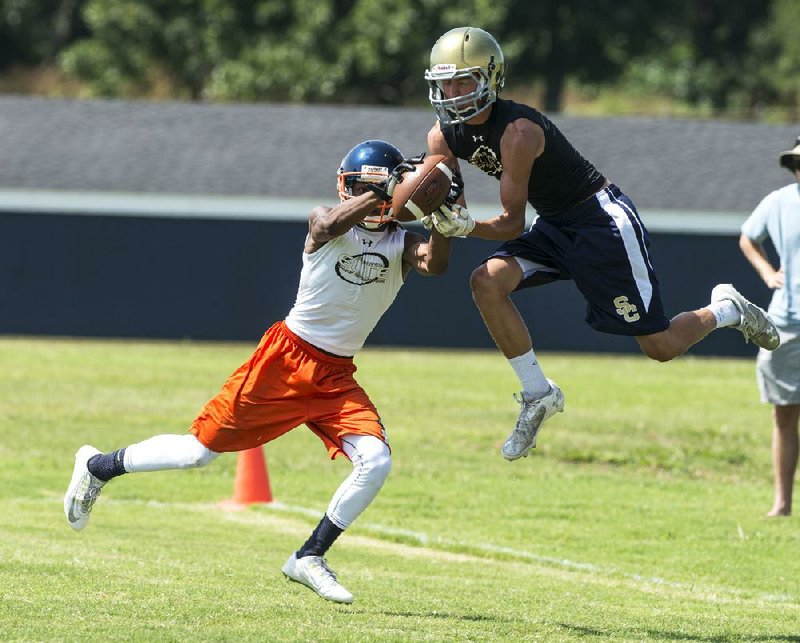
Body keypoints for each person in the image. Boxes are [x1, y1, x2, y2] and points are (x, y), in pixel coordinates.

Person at [63, 140, 455, 603]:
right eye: (362, 189)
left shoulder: (402, 241)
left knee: (377, 460)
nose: (371, 199)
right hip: (285, 360)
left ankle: (309, 556)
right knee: (198, 452)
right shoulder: (323, 219)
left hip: (336, 377)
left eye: (383, 189)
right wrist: (385, 190)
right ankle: (98, 466)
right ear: (346, 187)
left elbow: (435, 264)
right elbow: (328, 223)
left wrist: (442, 218)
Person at [421, 26, 781, 461]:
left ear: (492, 79)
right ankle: (538, 393)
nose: (454, 92)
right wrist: (423, 207)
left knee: (660, 347)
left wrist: (465, 227)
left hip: (599, 223)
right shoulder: (442, 136)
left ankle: (727, 309)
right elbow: (444, 202)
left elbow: (511, 224)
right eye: (446, 82)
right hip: (555, 223)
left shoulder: (518, 131)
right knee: (486, 281)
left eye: (465, 80)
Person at [739, 136, 800, 517]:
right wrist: (766, 272)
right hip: (785, 323)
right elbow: (748, 237)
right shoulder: (779, 202)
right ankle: (782, 504)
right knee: (784, 413)